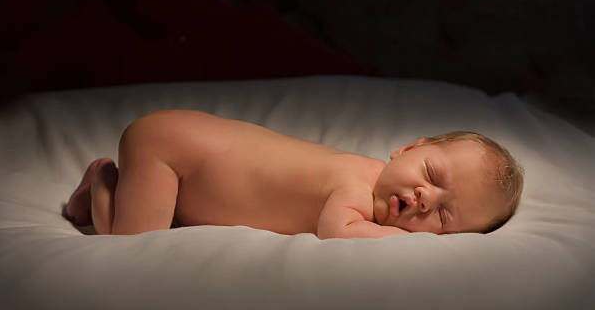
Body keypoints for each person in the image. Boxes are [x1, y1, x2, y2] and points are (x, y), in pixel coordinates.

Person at [64, 110, 523, 238]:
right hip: (171, 151)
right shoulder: (356, 188)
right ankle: (105, 179)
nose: (426, 197)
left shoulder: (372, 182)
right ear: (406, 149)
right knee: (134, 245)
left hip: (190, 173)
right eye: (430, 173)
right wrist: (408, 240)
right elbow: (335, 231)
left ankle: (117, 186)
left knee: (159, 223)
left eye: (443, 216)